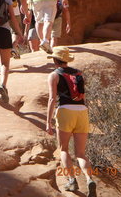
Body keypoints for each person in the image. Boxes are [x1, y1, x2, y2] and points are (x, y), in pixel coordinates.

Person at [46, 46, 97, 197]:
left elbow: (51, 99)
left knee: (64, 149)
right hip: (82, 111)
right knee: (81, 153)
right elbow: (83, 96)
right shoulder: (78, 73)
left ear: (55, 60)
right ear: (66, 60)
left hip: (65, 111)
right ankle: (89, 179)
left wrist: (48, 122)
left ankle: (72, 180)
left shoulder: (54, 75)